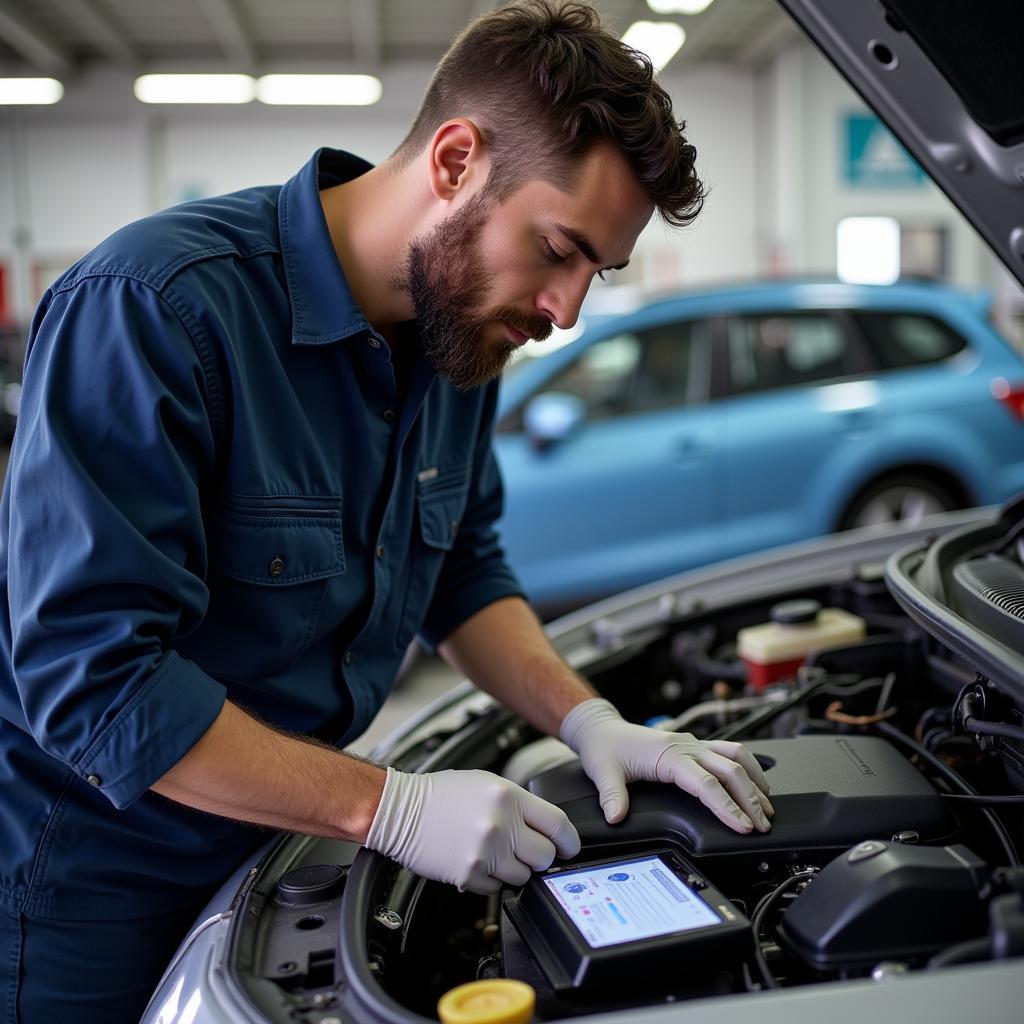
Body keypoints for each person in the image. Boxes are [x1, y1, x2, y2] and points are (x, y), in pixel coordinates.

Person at [0, 1, 773, 1019]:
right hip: (91, 892)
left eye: (598, 271)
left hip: (286, 843)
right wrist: (388, 805)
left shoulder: (463, 339)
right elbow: (94, 683)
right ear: (455, 160)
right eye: (557, 247)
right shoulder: (155, 307)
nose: (566, 310)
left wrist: (587, 716)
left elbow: (462, 569)